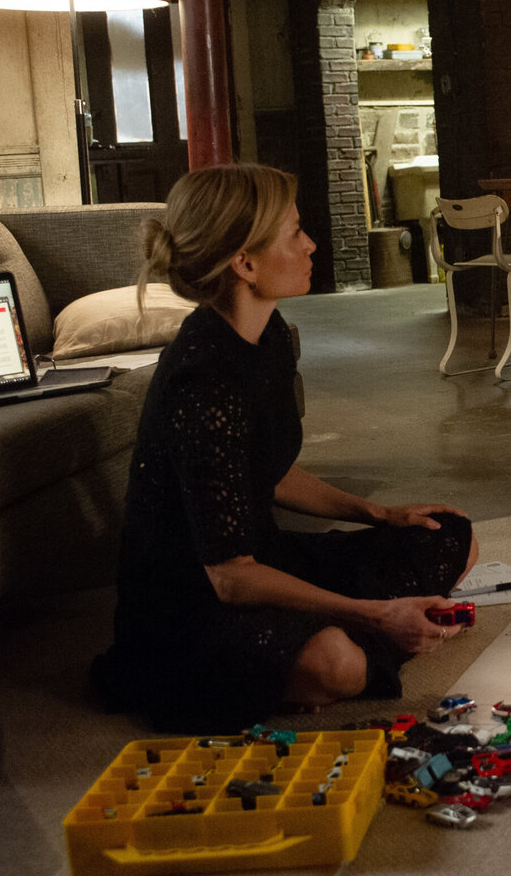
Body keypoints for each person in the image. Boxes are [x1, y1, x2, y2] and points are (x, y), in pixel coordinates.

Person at [93, 164, 479, 732]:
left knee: (450, 535)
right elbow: (230, 578)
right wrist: (375, 614)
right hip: (197, 601)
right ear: (245, 264)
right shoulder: (202, 382)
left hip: (265, 558)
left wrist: (379, 513)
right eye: (294, 232)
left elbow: (268, 472)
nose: (310, 244)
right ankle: (350, 645)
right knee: (337, 663)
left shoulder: (268, 334)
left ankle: (351, 639)